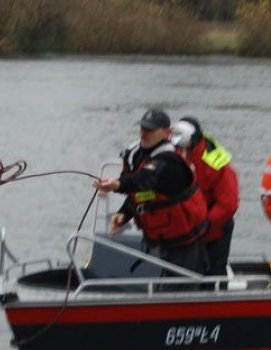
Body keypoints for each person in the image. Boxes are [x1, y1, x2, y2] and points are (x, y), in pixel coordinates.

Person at [94, 108, 208, 274]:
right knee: (169, 281)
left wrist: (117, 184)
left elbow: (144, 179)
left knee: (181, 286)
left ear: (166, 132)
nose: (144, 133)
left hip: (185, 238)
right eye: (142, 128)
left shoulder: (170, 160)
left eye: (150, 130)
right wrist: (125, 214)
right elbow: (144, 194)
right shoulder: (136, 154)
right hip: (165, 237)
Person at [172, 116, 239, 276]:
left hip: (213, 228)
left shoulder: (214, 160)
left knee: (214, 272)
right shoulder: (175, 152)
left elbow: (228, 203)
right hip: (184, 229)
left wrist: (203, 225)